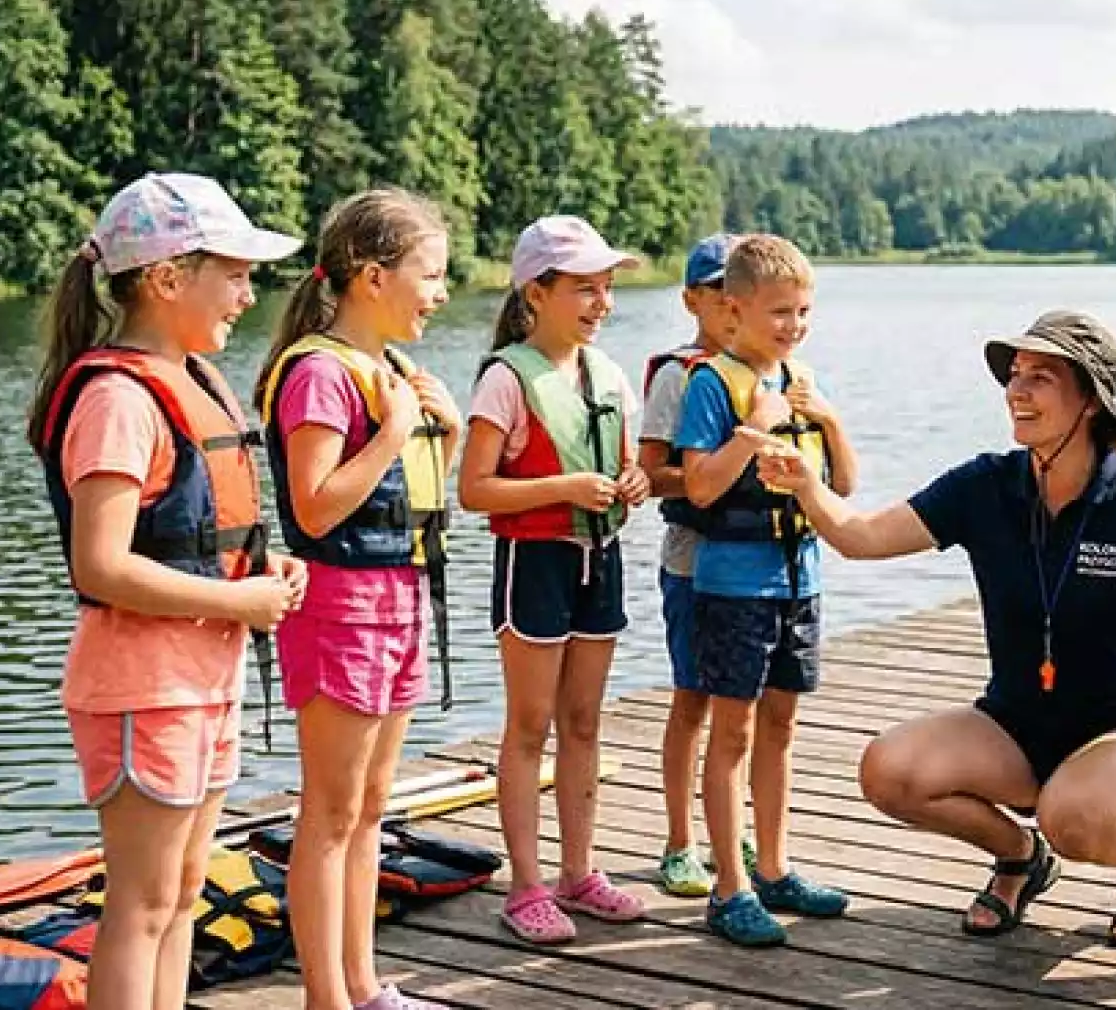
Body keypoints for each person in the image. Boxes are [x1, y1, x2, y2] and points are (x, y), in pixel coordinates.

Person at [763, 310, 1116, 949]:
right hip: (1017, 724)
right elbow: (862, 537)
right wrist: (805, 484)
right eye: (1015, 374)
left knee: (1073, 817)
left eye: (1041, 377)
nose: (1017, 390)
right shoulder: (985, 485)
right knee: (889, 771)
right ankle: (1020, 855)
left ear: (1091, 399)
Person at [29, 173, 306, 1010]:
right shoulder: (117, 400)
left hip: (203, 678)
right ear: (166, 277)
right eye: (235, 274)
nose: (249, 295)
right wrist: (238, 605)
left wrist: (261, 571)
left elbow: (189, 537)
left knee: (184, 891)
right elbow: (101, 565)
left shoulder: (197, 379)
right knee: (142, 903)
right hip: (142, 688)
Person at [254, 189, 460, 1010]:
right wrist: (394, 431)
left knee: (372, 806)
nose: (441, 291)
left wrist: (444, 434)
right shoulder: (319, 374)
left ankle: (366, 986)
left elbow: (413, 501)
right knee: (331, 812)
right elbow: (314, 508)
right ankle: (324, 997)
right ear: (373, 277)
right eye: (430, 274)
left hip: (399, 596)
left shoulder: (396, 373)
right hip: (340, 607)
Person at [457, 215, 650, 944]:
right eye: (585, 289)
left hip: (600, 560)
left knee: (584, 722)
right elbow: (474, 490)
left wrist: (633, 481)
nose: (603, 303)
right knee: (530, 725)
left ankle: (579, 874)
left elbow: (626, 465)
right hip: (534, 564)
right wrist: (564, 487)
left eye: (606, 289)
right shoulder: (506, 379)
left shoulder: (610, 375)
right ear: (535, 293)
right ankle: (526, 888)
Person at [674, 234, 859, 947]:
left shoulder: (801, 381)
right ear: (734, 310)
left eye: (803, 311)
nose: (794, 325)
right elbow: (699, 486)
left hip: (799, 577)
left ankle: (775, 868)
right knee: (733, 733)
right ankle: (729, 887)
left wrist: (829, 419)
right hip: (734, 585)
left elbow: (844, 486)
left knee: (780, 726)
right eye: (780, 312)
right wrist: (753, 430)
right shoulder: (711, 384)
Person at [635, 233, 752, 896]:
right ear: (691, 300)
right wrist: (723, 471)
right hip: (693, 560)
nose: (732, 303)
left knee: (747, 709)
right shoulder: (678, 376)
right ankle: (681, 841)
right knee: (693, 699)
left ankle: (732, 830)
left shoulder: (766, 372)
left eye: (741, 290)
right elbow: (650, 474)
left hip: (756, 563)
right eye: (718, 290)